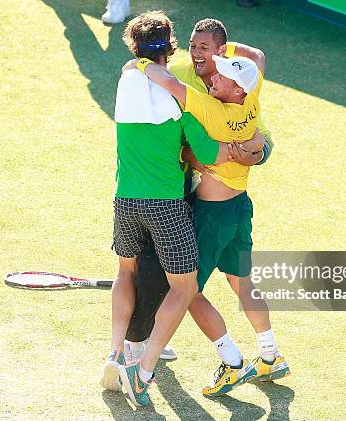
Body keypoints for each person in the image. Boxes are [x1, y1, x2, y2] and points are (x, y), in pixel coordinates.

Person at [130, 18, 289, 397]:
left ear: (234, 86)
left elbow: (170, 85)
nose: (212, 79)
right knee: (242, 282)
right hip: (240, 209)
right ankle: (270, 354)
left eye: (220, 76)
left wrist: (138, 62)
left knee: (186, 291)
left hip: (211, 216)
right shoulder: (250, 96)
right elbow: (257, 61)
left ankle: (232, 361)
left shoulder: (212, 108)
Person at [101, 11, 232, 407]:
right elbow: (210, 154)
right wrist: (244, 145)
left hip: (125, 201)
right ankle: (142, 371)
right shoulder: (181, 101)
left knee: (126, 271)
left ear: (135, 48)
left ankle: (115, 354)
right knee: (185, 286)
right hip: (166, 208)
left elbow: (135, 66)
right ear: (171, 48)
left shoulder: (125, 82)